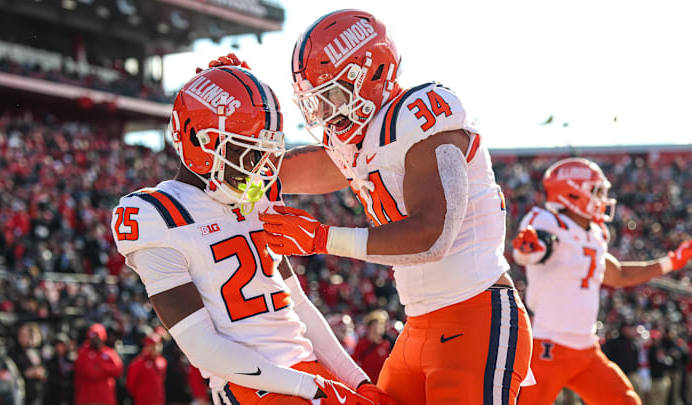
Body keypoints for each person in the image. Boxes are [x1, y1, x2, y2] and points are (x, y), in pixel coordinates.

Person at [258, 9, 533, 404]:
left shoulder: (419, 115)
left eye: (332, 94)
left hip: (475, 314)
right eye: (317, 100)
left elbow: (432, 236)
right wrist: (236, 143)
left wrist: (321, 238)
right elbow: (305, 168)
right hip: (417, 326)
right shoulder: (359, 142)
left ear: (369, 75)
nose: (325, 111)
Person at [110, 59, 395, 405]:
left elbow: (299, 307)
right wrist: (311, 387)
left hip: (307, 372)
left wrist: (358, 381)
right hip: (253, 385)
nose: (259, 167)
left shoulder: (258, 198)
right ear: (200, 141)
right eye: (247, 152)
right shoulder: (155, 214)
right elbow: (202, 348)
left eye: (264, 153)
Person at [511, 157, 692, 405]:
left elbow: (618, 275)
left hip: (586, 349)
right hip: (548, 347)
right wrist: (530, 247)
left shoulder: (593, 234)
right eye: (595, 191)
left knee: (625, 401)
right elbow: (531, 249)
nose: (602, 199)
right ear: (572, 194)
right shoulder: (546, 221)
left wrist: (671, 262)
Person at [74, 323, 123, 405]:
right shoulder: (83, 352)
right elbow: (90, 372)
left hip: (105, 397)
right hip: (88, 398)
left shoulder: (109, 352)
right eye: (93, 337)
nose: (95, 340)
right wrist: (105, 371)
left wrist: (101, 367)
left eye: (97, 337)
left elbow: (118, 369)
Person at [126, 333, 166, 405]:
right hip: (144, 401)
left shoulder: (162, 361)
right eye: (153, 345)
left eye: (158, 345)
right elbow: (131, 385)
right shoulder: (138, 363)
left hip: (158, 400)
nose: (156, 348)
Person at [352, 310, 392, 384]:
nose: (376, 330)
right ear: (368, 328)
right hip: (366, 383)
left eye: (379, 328)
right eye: (374, 327)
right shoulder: (362, 344)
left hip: (380, 383)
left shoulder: (385, 345)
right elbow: (353, 362)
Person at [43, 333, 74, 405]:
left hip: (69, 395)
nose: (59, 348)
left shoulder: (72, 360)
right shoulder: (50, 362)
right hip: (55, 396)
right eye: (57, 345)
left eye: (62, 345)